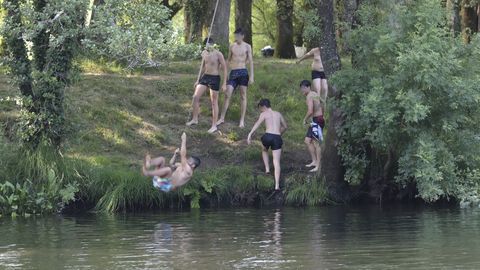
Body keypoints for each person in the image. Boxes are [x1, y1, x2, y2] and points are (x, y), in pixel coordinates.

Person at [186, 37, 228, 133]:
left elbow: (225, 68)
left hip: (214, 78)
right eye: (207, 45)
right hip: (205, 77)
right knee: (195, 97)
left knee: (214, 102)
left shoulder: (218, 54)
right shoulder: (204, 53)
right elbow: (204, 67)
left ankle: (214, 126)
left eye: (210, 44)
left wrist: (225, 83)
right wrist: (198, 80)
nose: (208, 47)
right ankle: (195, 119)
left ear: (213, 44)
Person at [217, 28, 254, 128]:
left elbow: (250, 61)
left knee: (243, 96)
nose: (236, 38)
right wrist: (222, 66)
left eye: (238, 36)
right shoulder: (232, 46)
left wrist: (251, 76)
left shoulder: (247, 46)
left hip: (243, 72)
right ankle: (222, 118)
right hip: (233, 72)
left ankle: (242, 120)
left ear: (242, 36)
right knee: (227, 94)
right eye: (235, 36)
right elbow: (228, 59)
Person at [247, 99, 288, 191]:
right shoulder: (278, 114)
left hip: (268, 136)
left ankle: (267, 169)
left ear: (263, 106)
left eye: (260, 108)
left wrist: (250, 134)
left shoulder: (264, 114)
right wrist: (279, 133)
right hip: (277, 137)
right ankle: (277, 186)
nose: (260, 110)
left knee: (264, 149)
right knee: (276, 161)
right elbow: (285, 126)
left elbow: (257, 123)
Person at [300, 80, 325, 173]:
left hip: (317, 120)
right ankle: (314, 161)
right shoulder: (314, 93)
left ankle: (318, 165)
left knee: (316, 143)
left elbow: (310, 111)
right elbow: (323, 103)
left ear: (307, 87)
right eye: (301, 88)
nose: (301, 90)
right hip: (317, 120)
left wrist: (305, 119)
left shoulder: (309, 96)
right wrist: (323, 114)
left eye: (303, 88)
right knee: (307, 141)